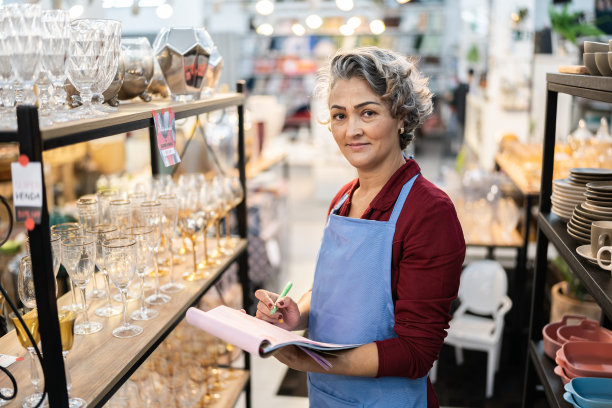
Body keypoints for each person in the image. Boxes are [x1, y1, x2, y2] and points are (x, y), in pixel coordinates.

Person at [254, 47, 465, 407]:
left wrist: (313, 360)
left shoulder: (429, 213)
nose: (351, 130)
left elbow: (416, 353)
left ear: (401, 116)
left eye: (368, 112)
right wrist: (297, 313)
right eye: (339, 115)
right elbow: (333, 291)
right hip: (327, 396)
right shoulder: (342, 200)